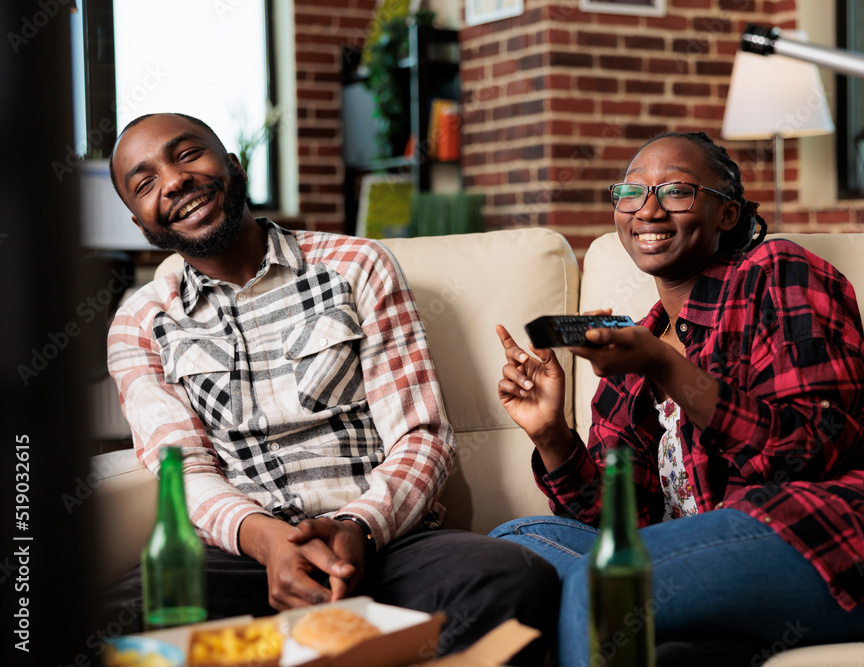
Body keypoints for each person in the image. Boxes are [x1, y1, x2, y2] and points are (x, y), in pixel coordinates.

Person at [491, 131, 864, 666]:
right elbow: (622, 521)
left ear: (728, 214)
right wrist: (551, 436)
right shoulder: (632, 345)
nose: (648, 211)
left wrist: (664, 365)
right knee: (511, 549)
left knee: (606, 585)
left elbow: (808, 449)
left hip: (847, 544)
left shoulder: (776, 272)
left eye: (677, 191)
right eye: (631, 193)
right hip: (719, 556)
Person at [102, 112, 557, 663]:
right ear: (138, 219)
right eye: (145, 182)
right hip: (242, 556)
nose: (173, 181)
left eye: (188, 154)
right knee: (109, 624)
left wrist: (357, 529)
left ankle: (304, 646)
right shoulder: (141, 323)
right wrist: (269, 542)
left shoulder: (356, 265)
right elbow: (186, 473)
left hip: (382, 544)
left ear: (232, 165)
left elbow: (423, 436)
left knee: (514, 579)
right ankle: (348, 642)